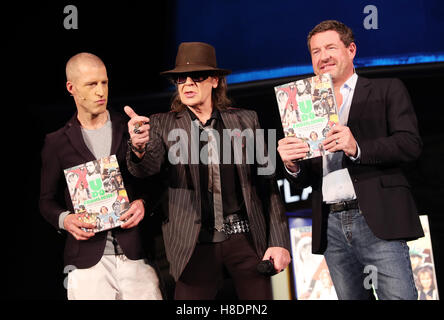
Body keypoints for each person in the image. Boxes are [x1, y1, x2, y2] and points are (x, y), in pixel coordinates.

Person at [125, 42, 291, 299]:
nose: (188, 83)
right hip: (194, 244)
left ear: (215, 80)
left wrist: (279, 241)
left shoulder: (247, 120)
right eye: (181, 78)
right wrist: (138, 147)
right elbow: (146, 169)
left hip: (244, 238)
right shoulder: (161, 124)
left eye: (197, 76)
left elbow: (267, 183)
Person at [277, 20, 424, 300]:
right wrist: (292, 165)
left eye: (331, 47)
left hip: (378, 219)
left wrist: (357, 148)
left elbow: (410, 144)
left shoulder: (387, 90)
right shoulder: (302, 106)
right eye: (315, 51)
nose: (323, 57)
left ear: (351, 49)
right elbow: (307, 177)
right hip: (330, 224)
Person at [39, 52, 163, 300]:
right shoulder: (57, 142)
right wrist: (65, 220)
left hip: (135, 254)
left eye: (104, 82)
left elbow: (156, 182)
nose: (100, 91)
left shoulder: (128, 129)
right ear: (71, 88)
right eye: (91, 84)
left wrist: (143, 203)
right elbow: (46, 200)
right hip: (86, 263)